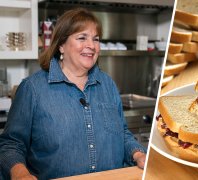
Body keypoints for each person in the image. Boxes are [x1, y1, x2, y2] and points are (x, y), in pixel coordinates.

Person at [0, 8, 146, 179]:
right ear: (61, 45)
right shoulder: (33, 88)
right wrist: (20, 174)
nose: (91, 45)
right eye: (82, 38)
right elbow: (11, 144)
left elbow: (122, 133)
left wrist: (138, 154)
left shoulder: (107, 84)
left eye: (96, 39)